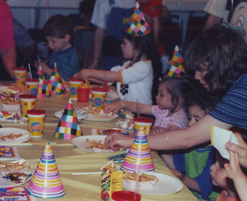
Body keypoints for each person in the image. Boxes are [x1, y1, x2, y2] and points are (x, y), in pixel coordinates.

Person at [105, 24, 247, 165]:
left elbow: (189, 138)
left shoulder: (241, 92)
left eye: (201, 70)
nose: (197, 77)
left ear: (220, 66)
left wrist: (131, 141)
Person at [161, 87, 220, 201]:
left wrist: (181, 177)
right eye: (189, 118)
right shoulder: (191, 146)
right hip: (191, 196)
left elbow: (202, 186)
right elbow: (175, 165)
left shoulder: (215, 154)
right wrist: (162, 148)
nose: (190, 123)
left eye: (197, 119)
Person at [74, 31, 155, 105]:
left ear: (137, 48)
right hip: (127, 109)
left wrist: (89, 72)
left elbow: (116, 76)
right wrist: (86, 76)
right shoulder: (127, 65)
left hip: (140, 113)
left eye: (124, 43)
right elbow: (107, 78)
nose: (121, 45)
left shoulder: (144, 67)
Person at [88, 0, 138, 71]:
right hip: (113, 57)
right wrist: (96, 60)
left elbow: (162, 15)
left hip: (137, 56)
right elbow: (99, 32)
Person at [105, 78, 190, 133]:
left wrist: (146, 127)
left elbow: (171, 134)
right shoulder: (164, 110)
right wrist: (122, 104)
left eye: (161, 95)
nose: (156, 97)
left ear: (178, 100)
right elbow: (141, 107)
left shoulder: (180, 118)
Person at [133, 0, 169, 73]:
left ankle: (164, 59)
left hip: (153, 29)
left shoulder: (152, 6)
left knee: (152, 46)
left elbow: (156, 21)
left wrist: (156, 36)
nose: (138, 0)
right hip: (146, 28)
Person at [36, 15, 80, 81]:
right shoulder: (57, 51)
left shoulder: (70, 57)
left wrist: (45, 69)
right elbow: (54, 70)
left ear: (66, 38)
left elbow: (62, 80)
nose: (50, 45)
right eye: (48, 41)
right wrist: (43, 65)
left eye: (53, 41)